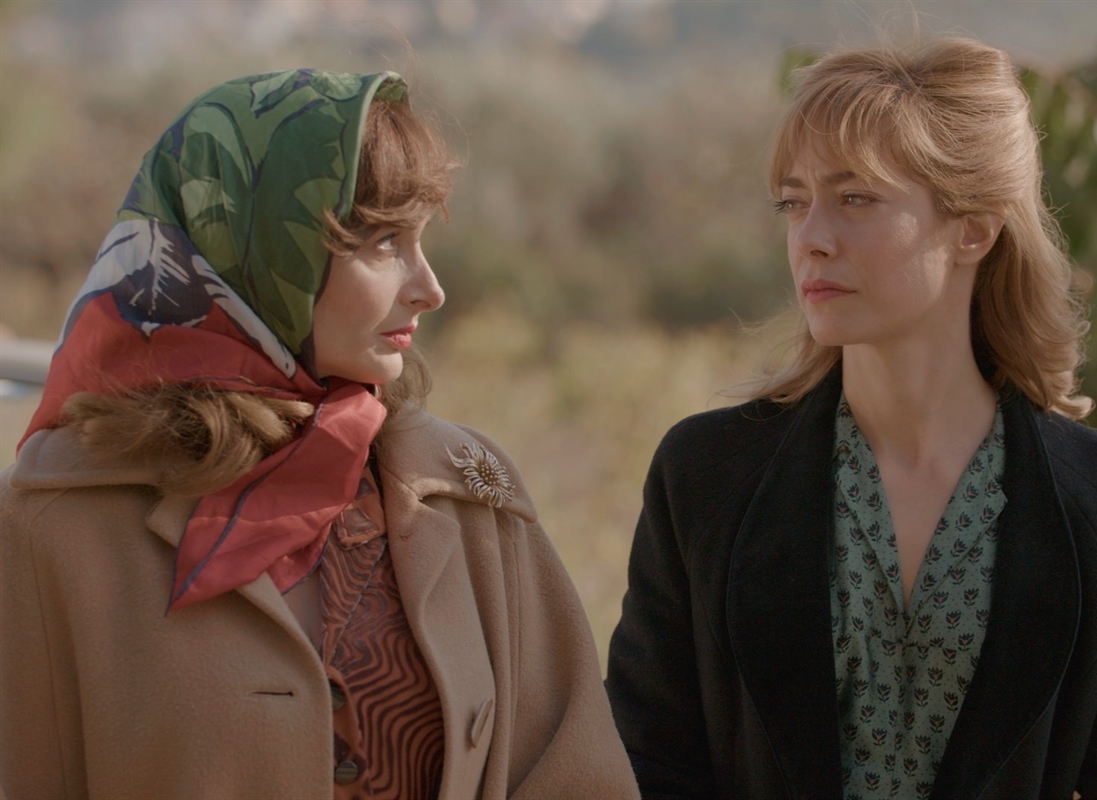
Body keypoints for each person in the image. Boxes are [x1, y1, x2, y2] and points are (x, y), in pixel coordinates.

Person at [0, 69, 638, 799]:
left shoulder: (465, 487)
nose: (429, 289)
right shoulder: (54, 521)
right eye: (383, 243)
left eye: (421, 240)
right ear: (262, 249)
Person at [605, 37, 1097, 799]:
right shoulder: (705, 475)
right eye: (794, 202)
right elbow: (642, 763)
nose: (811, 239)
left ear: (973, 228)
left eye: (856, 198)